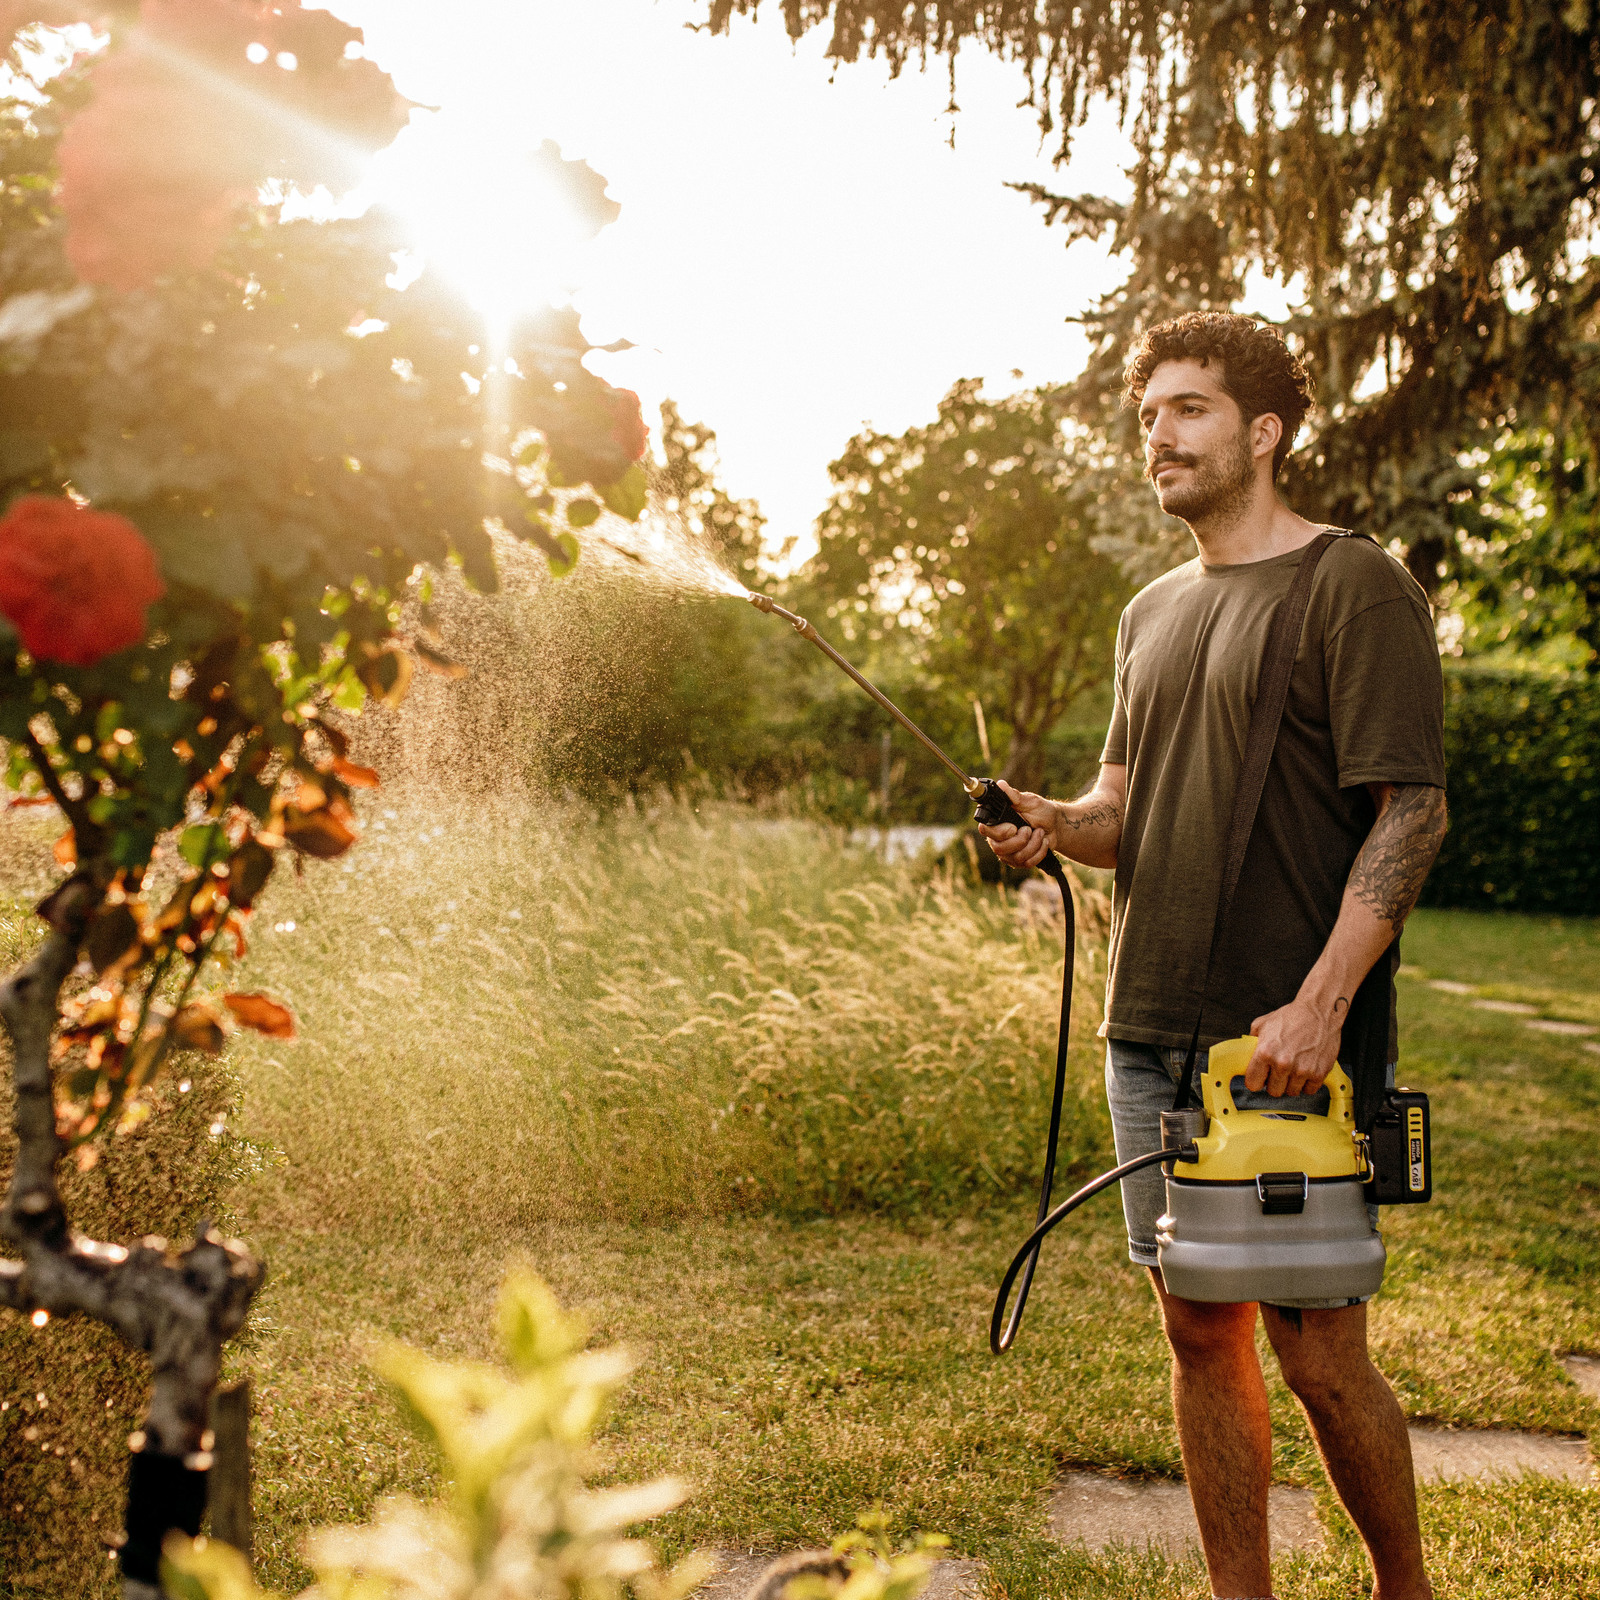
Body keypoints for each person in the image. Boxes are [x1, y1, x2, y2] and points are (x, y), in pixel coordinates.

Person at [980, 311, 1446, 1600]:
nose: (1160, 439)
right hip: (1152, 1027)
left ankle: (1401, 1586)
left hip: (1285, 1038)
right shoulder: (1151, 612)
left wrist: (1321, 1007)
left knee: (1316, 1349)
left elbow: (1410, 811)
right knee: (1196, 1329)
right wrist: (1052, 825)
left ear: (1264, 431)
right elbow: (1121, 808)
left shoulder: (1353, 584)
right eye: (1149, 418)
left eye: (1187, 411)